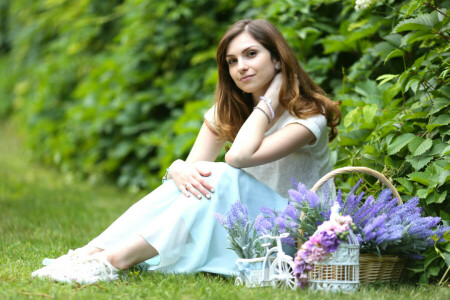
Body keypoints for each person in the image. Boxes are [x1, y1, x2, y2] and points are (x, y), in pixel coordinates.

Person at [31, 19, 341, 284]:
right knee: (205, 176)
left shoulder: (308, 117)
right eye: (232, 61)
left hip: (297, 237)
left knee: (223, 172)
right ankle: (88, 254)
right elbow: (193, 180)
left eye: (251, 54)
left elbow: (238, 157)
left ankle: (114, 261)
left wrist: (270, 99)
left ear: (277, 60)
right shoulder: (230, 108)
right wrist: (177, 168)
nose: (241, 67)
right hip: (247, 225)